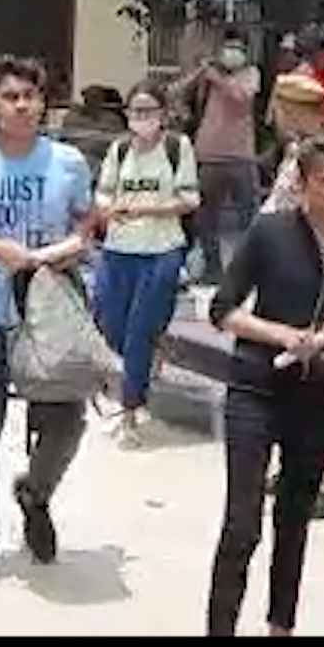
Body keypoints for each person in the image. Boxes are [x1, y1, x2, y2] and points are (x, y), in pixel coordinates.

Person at [206, 134, 324, 636]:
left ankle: (280, 626)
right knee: (242, 523)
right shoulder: (271, 232)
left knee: (294, 519)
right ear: (304, 184)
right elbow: (223, 310)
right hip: (255, 387)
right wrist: (284, 335)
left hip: (318, 395)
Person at [0, 55, 96, 588]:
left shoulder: (68, 162)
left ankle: (36, 492)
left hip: (50, 313)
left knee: (66, 421)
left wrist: (61, 252)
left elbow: (86, 228)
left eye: (31, 96)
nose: (22, 105)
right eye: (10, 96)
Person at [94, 79, 200, 447]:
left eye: (148, 111)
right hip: (118, 248)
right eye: (135, 111)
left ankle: (130, 408)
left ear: (162, 114)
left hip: (161, 249)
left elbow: (190, 199)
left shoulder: (177, 148)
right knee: (111, 323)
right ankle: (142, 368)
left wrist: (149, 209)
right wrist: (110, 209)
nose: (140, 118)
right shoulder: (119, 149)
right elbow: (103, 193)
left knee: (139, 329)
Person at [177, 39, 262, 285]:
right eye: (227, 49)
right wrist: (199, 72)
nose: (231, 54)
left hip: (240, 156)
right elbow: (178, 92)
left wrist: (217, 79)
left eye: (237, 50)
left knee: (249, 216)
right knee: (205, 218)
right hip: (209, 155)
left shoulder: (250, 74)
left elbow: (241, 96)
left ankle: (247, 271)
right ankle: (212, 268)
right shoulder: (209, 76)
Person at [259, 73, 324, 215]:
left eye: (278, 111)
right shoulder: (292, 150)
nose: (274, 120)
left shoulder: (315, 156)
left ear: (292, 114)